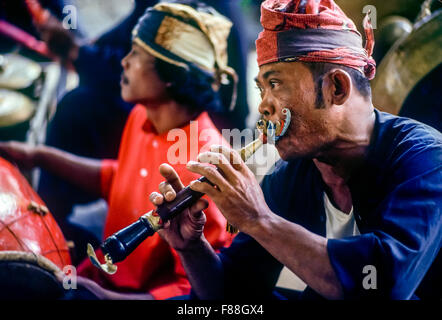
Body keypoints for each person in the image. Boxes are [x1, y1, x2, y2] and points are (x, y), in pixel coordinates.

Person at [150, 0, 442, 300]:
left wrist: (260, 219)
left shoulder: (425, 157)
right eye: (262, 89)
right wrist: (191, 247)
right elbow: (234, 295)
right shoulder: (293, 174)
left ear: (337, 88)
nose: (264, 105)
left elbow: (384, 283)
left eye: (275, 83)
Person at [0, 0, 235, 299]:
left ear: (171, 76)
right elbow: (120, 181)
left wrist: (104, 297)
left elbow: (192, 293)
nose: (123, 62)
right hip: (102, 265)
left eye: (136, 54)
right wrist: (38, 156)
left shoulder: (203, 165)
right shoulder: (142, 116)